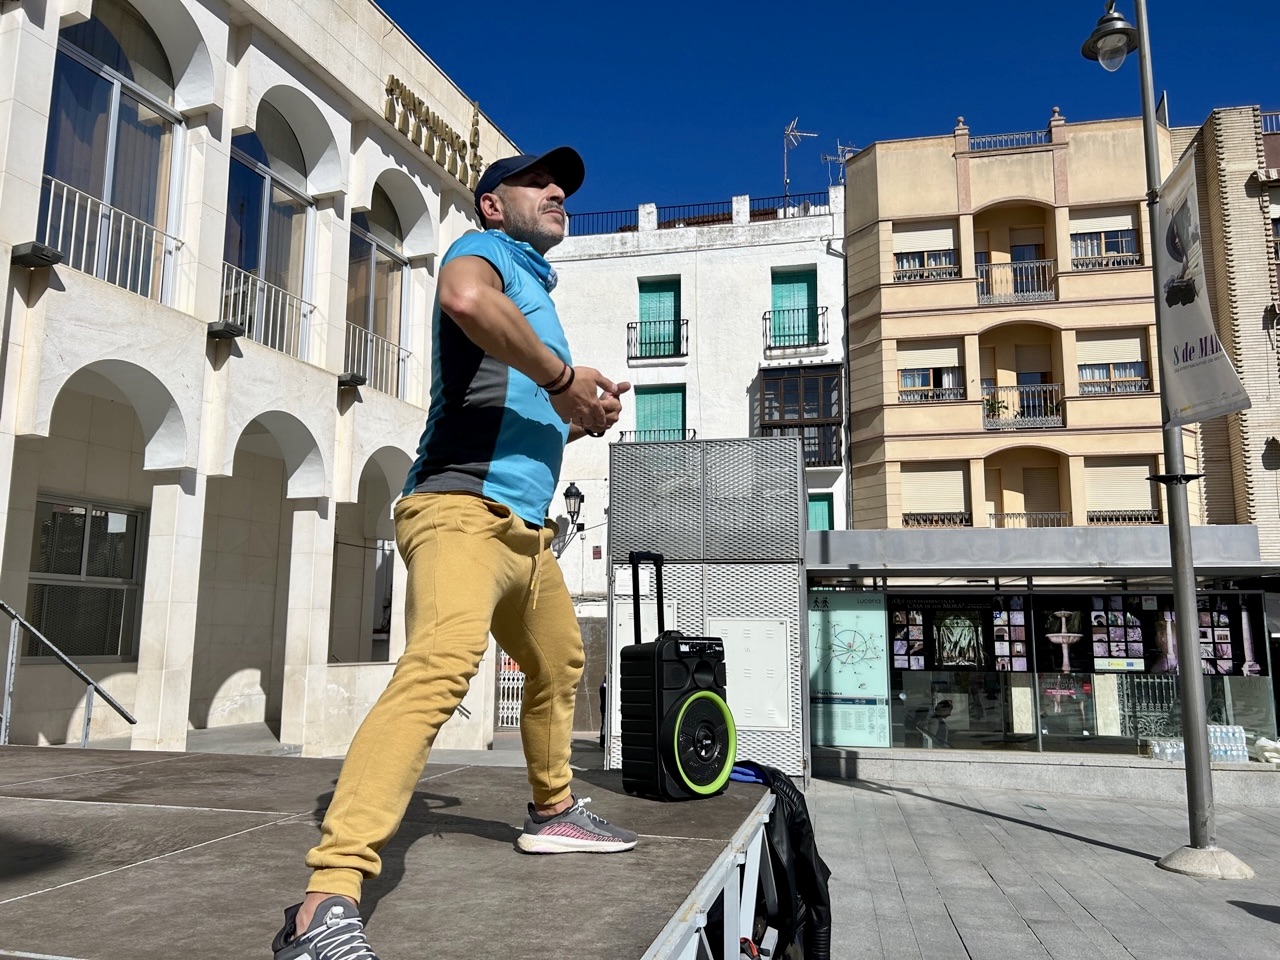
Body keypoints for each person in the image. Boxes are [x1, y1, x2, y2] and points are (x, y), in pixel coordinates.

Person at [272, 146, 634, 960]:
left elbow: (524, 397)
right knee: (441, 665)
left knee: (560, 662)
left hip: (526, 533)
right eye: (539, 182)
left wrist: (580, 409)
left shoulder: (536, 292)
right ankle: (323, 902)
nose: (558, 193)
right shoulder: (484, 254)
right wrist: (564, 376)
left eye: (565, 187)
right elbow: (465, 301)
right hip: (458, 510)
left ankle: (553, 813)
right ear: (493, 204)